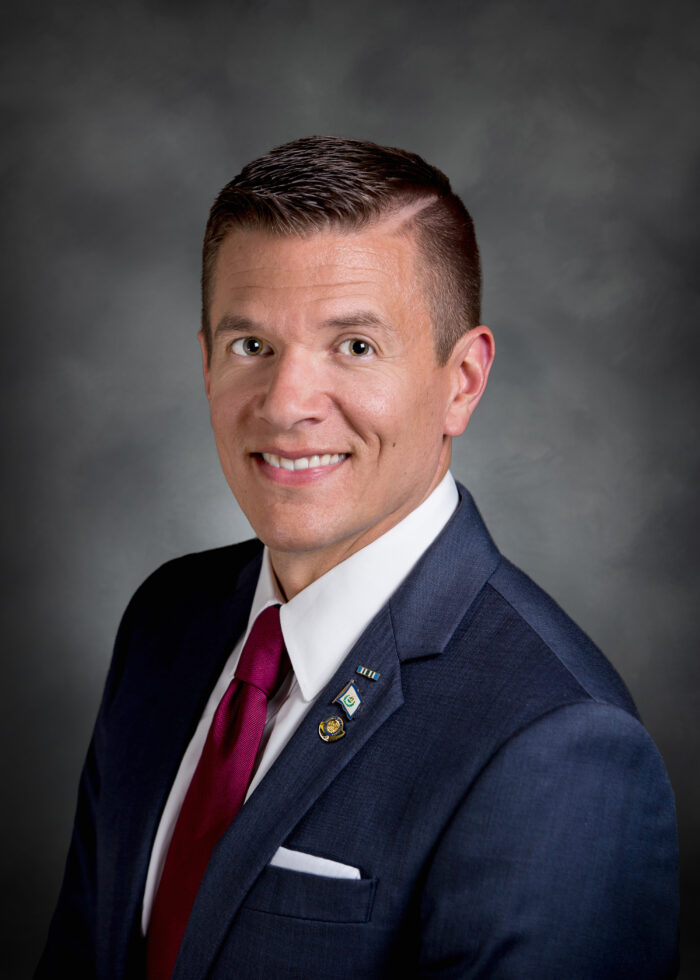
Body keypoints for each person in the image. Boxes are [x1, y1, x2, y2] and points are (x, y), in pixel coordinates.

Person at [36, 137, 679, 979]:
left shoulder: (563, 749)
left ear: (463, 381)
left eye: (356, 347)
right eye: (251, 347)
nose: (288, 403)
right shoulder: (168, 619)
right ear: (204, 363)